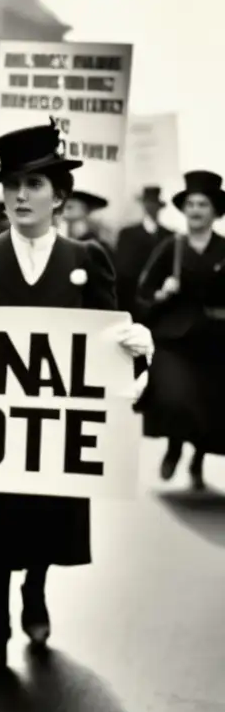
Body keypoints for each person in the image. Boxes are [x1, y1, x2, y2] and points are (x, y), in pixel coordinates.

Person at [0, 120, 153, 673]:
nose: (19, 196)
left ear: (59, 196)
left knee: (42, 524)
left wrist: (136, 348)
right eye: (12, 185)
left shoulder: (87, 259)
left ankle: (34, 591)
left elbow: (109, 341)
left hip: (55, 431)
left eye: (34, 185)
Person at [135, 170, 225, 490]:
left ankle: (198, 458)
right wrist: (162, 293)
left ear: (215, 211)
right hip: (174, 340)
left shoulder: (224, 250)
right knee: (176, 396)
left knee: (211, 404)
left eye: (202, 204)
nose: (196, 210)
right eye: (190, 204)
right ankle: (174, 447)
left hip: (214, 340)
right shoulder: (170, 247)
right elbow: (143, 292)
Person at [115, 186, 173, 320]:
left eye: (154, 204)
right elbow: (122, 269)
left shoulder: (169, 236)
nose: (151, 207)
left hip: (160, 303)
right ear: (144, 205)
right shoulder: (128, 234)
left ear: (159, 207)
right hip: (132, 300)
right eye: (148, 203)